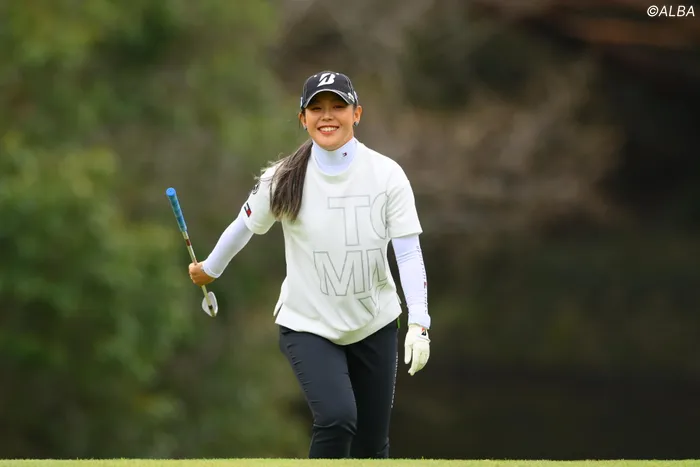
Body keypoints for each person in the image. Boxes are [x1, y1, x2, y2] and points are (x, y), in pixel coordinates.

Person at [187, 71, 432, 459]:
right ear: (303, 118)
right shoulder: (282, 177)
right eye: (316, 108)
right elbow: (244, 226)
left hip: (375, 322)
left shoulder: (387, 175)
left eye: (338, 106)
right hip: (307, 324)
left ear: (356, 114)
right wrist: (210, 269)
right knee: (336, 418)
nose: (327, 116)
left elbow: (408, 253)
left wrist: (419, 323)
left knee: (371, 445)